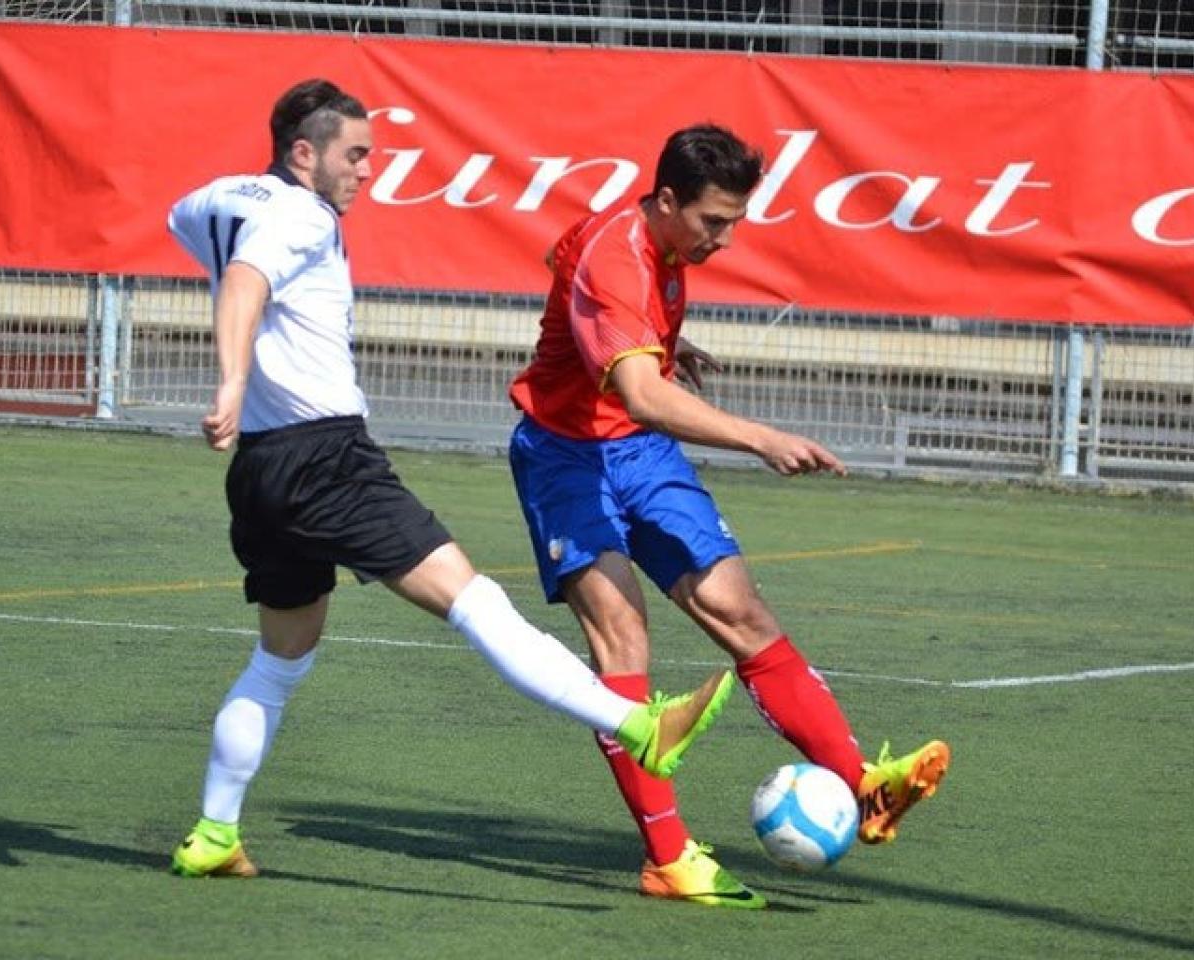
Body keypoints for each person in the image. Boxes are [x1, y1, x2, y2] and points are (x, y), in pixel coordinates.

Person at [163, 79, 736, 879]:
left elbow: (191, 224)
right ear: (303, 154)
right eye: (354, 155)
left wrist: (240, 380)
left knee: (279, 661)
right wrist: (230, 379)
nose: (367, 171)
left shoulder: (219, 199)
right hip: (326, 458)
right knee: (476, 602)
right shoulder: (298, 215)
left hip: (259, 470)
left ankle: (213, 835)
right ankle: (636, 725)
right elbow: (245, 282)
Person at [506, 123, 951, 909]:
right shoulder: (617, 256)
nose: (728, 238)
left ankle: (864, 788)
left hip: (636, 451)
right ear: (667, 200)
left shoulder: (655, 245)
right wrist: (760, 437)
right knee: (623, 636)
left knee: (738, 609)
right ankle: (669, 858)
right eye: (716, 221)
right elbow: (640, 390)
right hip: (564, 455)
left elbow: (563, 271)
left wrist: (652, 342)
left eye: (738, 221)